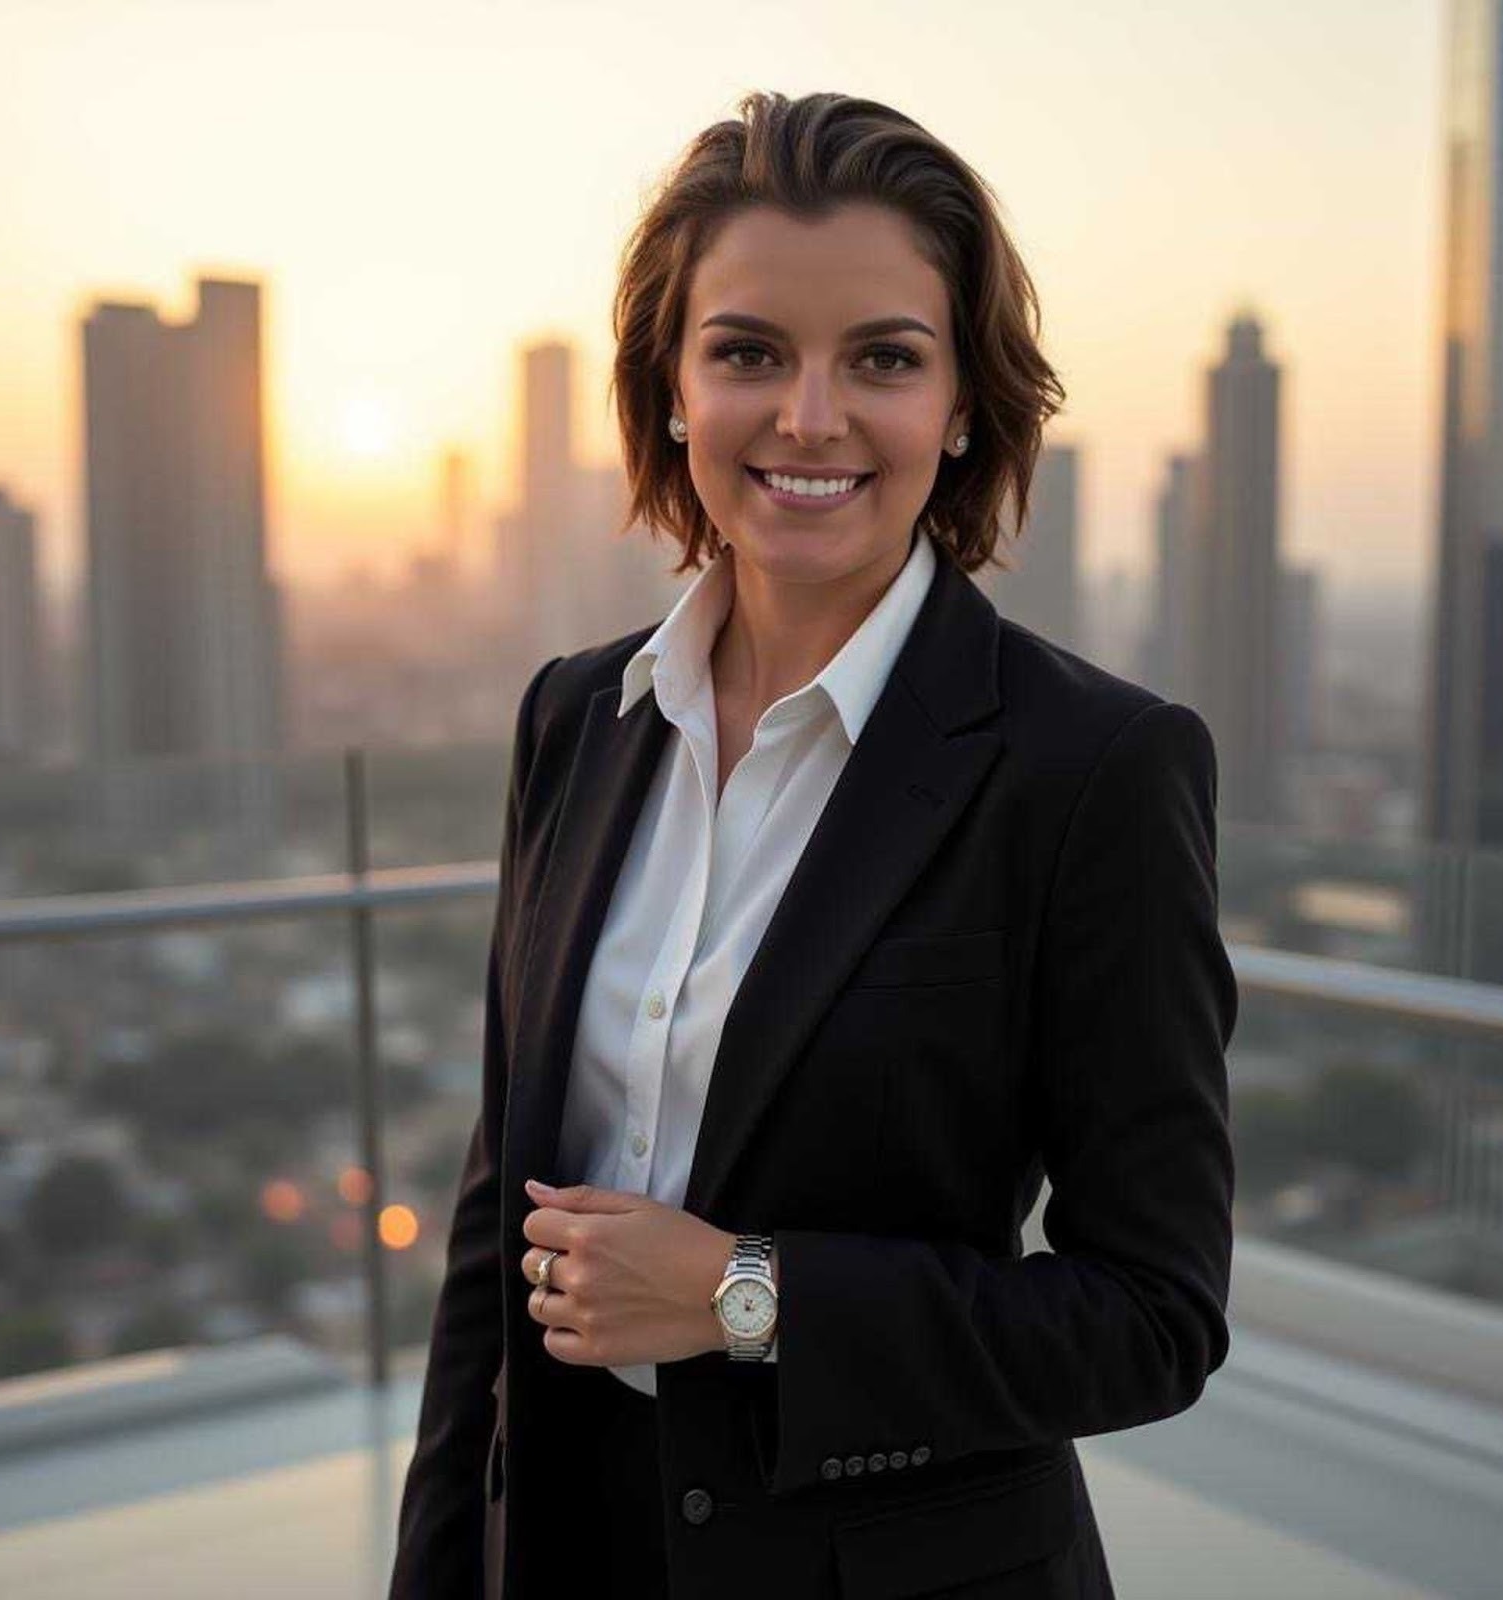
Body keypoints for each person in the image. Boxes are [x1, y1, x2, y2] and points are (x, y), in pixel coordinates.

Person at [389, 89, 1237, 1600]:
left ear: (966, 403)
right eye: (749, 353)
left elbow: (1153, 1316)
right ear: (670, 386)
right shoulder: (577, 718)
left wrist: (742, 1295)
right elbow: (494, 1229)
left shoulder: (1091, 771)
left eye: (885, 360)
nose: (810, 418)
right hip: (569, 1543)